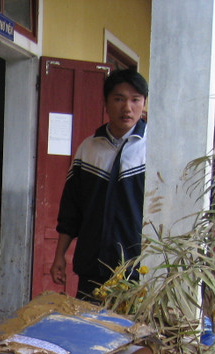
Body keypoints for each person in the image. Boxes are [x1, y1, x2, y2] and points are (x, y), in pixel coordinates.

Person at [50, 67, 148, 300]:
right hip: (92, 267)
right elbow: (71, 209)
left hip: (137, 271)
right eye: (118, 99)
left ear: (144, 103)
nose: (127, 108)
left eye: (135, 100)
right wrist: (59, 255)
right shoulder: (88, 149)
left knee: (130, 334)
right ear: (106, 103)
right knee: (87, 331)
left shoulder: (153, 149)